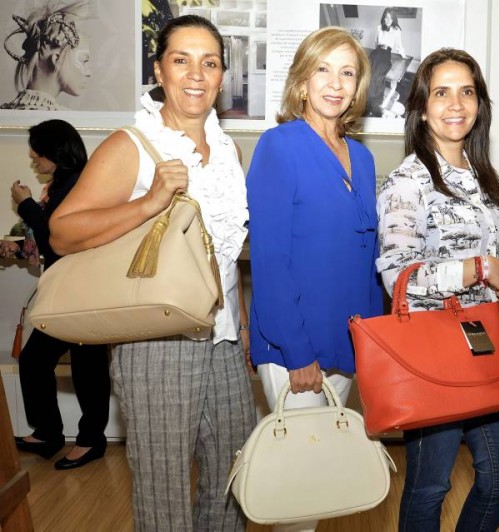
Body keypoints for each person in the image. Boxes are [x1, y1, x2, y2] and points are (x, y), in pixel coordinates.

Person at [49, 15, 255, 530]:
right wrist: (150, 202)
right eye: (181, 60)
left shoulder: (226, 148)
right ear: (159, 71)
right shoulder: (133, 145)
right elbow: (62, 232)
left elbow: (225, 251)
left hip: (224, 339)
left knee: (233, 479)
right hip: (155, 339)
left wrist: (243, 321)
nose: (195, 74)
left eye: (209, 63)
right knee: (163, 489)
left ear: (222, 76)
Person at [376, 48, 499, 531]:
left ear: (480, 104)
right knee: (431, 487)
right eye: (442, 92)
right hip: (435, 351)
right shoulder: (408, 183)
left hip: (485, 345)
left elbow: (492, 260)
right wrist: (479, 267)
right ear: (422, 106)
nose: (455, 104)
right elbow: (399, 278)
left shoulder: (485, 178)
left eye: (467, 92)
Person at [245, 26, 382, 531]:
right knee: (297, 496)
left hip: (347, 345)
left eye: (347, 72)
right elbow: (270, 261)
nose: (335, 82)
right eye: (323, 69)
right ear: (302, 80)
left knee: (321, 481)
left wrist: (373, 346)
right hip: (295, 348)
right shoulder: (279, 147)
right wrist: (298, 353)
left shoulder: (363, 158)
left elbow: (368, 257)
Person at [10, 120, 110, 471]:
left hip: (83, 289)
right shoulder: (66, 182)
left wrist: (24, 205)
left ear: (55, 150)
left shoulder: (79, 182)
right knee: (37, 360)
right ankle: (50, 432)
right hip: (70, 289)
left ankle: (90, 440)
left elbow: (56, 231)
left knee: (89, 368)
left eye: (38, 150)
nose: (33, 157)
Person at [1, 1, 91, 110]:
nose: (89, 73)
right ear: (57, 59)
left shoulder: (6, 112)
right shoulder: (65, 119)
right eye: (84, 61)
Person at [366, 7, 408, 117]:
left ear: (393, 19)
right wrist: (374, 53)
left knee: (377, 78)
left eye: (390, 18)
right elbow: (376, 43)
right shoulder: (379, 28)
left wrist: (404, 57)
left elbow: (399, 46)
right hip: (376, 53)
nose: (388, 20)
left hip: (385, 55)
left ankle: (374, 105)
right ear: (383, 18)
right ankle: (367, 103)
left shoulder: (397, 30)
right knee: (368, 76)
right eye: (386, 17)